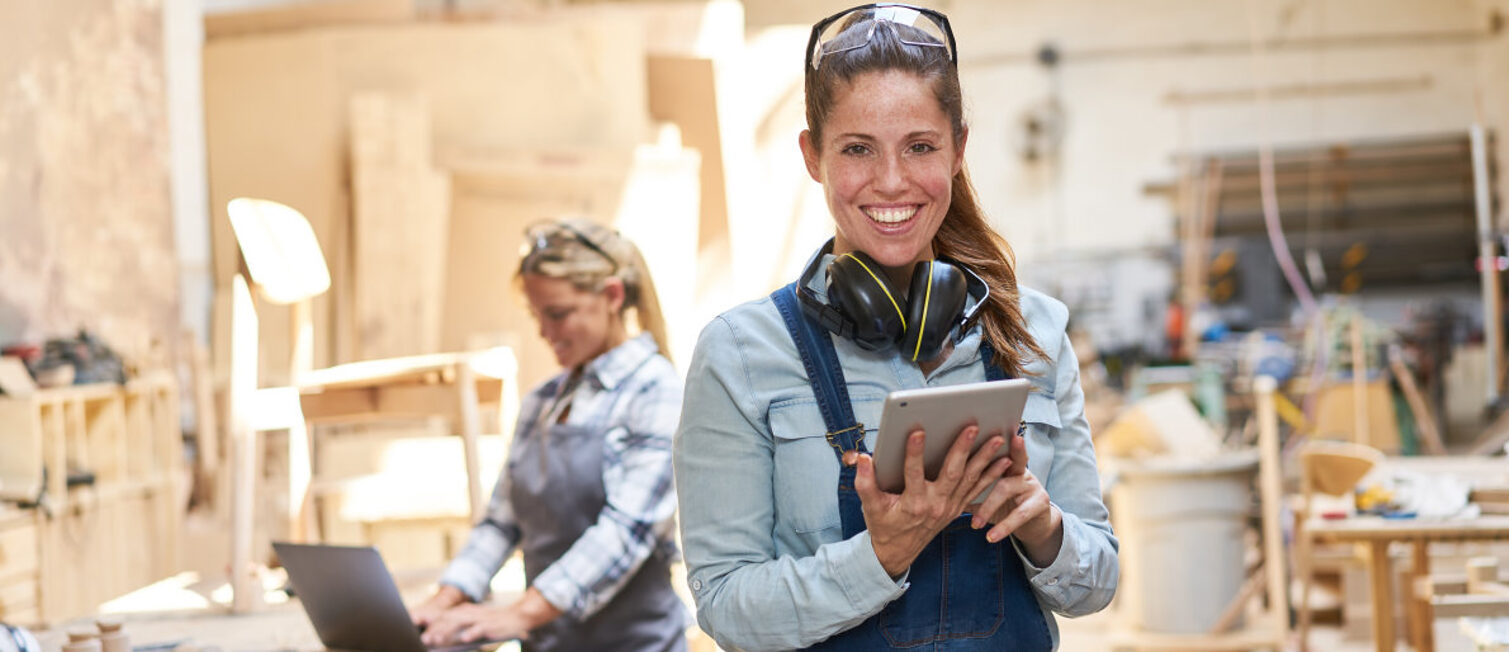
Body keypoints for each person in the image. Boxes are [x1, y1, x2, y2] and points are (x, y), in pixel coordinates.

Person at [673, 4, 1118, 650]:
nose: (891, 182)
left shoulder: (1032, 332)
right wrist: (878, 557)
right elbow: (724, 607)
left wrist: (1044, 527)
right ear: (812, 155)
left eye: (920, 147)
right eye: (857, 149)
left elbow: (1098, 581)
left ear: (958, 148)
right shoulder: (739, 354)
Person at [412, 219, 688, 652]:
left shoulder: (657, 392)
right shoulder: (543, 400)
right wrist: (443, 600)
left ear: (612, 296)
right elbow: (501, 522)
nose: (543, 332)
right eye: (536, 315)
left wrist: (517, 614)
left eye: (557, 314)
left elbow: (625, 531)